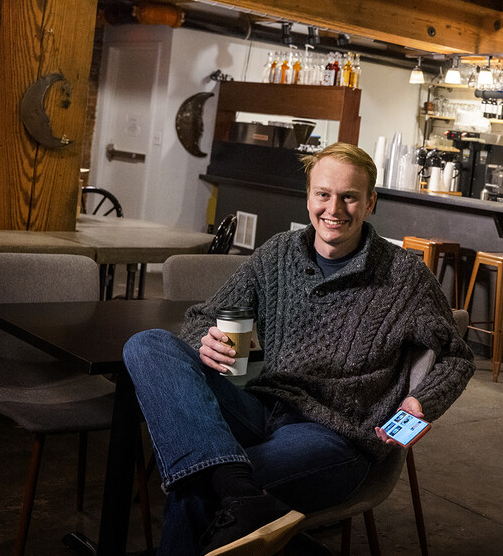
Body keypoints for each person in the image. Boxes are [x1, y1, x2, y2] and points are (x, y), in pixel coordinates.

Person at [123, 143, 475, 555]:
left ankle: (232, 488)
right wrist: (208, 340)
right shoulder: (279, 252)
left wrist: (421, 401)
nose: (334, 208)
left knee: (196, 484)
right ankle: (238, 489)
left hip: (333, 434)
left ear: (370, 202)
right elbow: (207, 315)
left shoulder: (404, 275)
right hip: (254, 400)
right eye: (323, 194)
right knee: (147, 345)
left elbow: (456, 356)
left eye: (349, 197)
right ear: (308, 197)